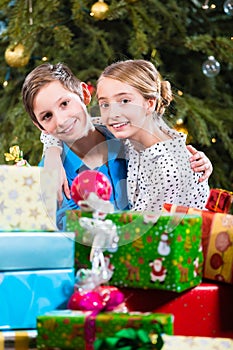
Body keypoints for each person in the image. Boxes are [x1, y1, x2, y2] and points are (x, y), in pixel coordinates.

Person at [21, 63, 129, 230]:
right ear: (40, 127)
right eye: (47, 116)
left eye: (64, 103)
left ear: (84, 94)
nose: (62, 121)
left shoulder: (129, 141)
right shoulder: (51, 178)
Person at [95, 59, 210, 212]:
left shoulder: (166, 167)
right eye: (105, 104)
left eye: (124, 101)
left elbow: (141, 229)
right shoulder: (137, 135)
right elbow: (70, 124)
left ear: (149, 104)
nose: (112, 114)